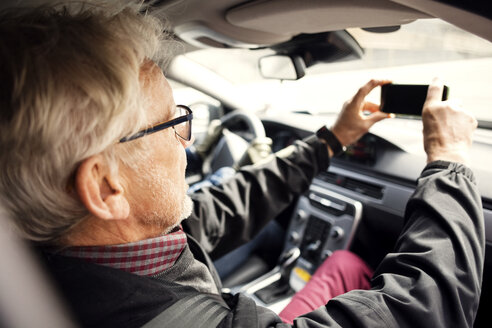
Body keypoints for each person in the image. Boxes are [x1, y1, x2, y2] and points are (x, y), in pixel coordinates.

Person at [0, 3, 484, 328]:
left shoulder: (73, 256)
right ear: (106, 189)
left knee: (345, 265)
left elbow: (229, 207)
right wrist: (450, 160)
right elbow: (425, 310)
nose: (184, 145)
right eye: (172, 123)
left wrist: (335, 138)